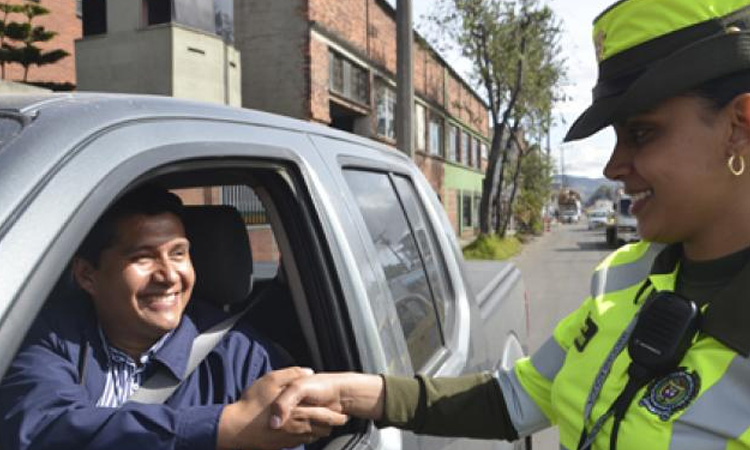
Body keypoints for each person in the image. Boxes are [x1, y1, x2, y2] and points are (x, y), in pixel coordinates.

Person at [269, 1, 750, 449]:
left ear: (740, 125)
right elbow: (517, 398)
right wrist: (359, 393)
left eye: (642, 133)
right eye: (616, 138)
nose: (612, 167)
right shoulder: (626, 276)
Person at [0, 185, 346, 450]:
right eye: (143, 258)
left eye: (179, 254)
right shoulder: (52, 337)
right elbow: (40, 427)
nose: (168, 276)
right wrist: (221, 426)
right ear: (88, 275)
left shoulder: (245, 359)